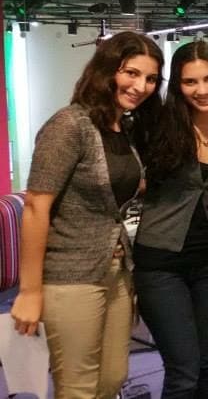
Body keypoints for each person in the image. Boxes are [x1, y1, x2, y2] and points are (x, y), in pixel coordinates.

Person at [10, 32, 163, 398]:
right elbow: (35, 207)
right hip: (71, 274)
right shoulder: (69, 125)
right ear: (107, 69)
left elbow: (113, 193)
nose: (140, 86)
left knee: (112, 379)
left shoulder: (121, 128)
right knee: (78, 387)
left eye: (151, 78)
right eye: (131, 73)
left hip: (117, 272)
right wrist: (29, 291)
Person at [134, 41, 208, 399]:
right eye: (190, 82)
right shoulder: (157, 125)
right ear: (177, 86)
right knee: (183, 369)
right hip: (160, 264)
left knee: (204, 362)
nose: (202, 90)